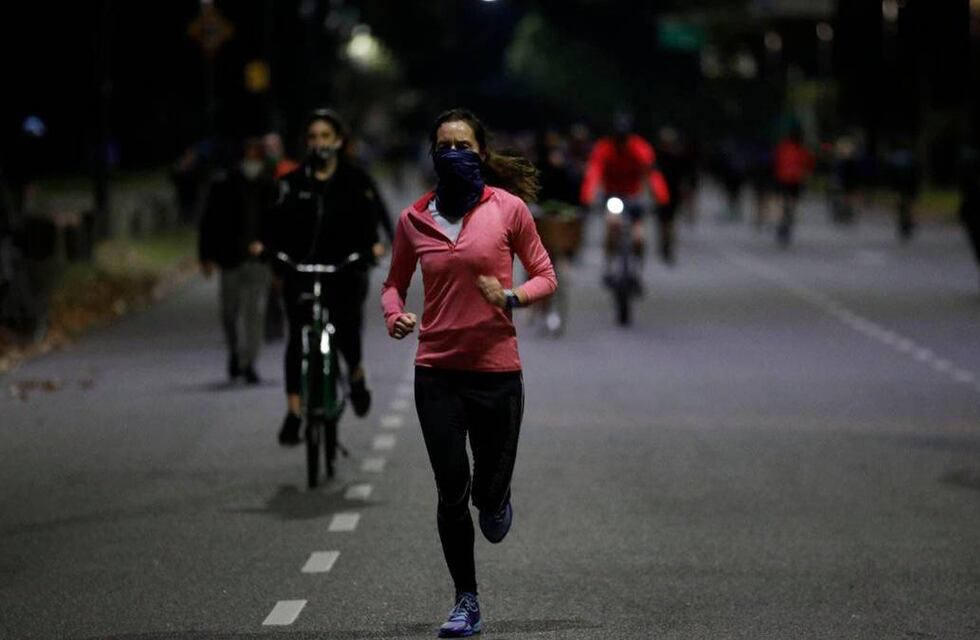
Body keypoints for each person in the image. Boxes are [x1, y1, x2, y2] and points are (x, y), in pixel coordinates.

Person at [381, 108, 557, 638]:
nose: (452, 152)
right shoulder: (414, 220)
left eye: (462, 144)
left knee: (485, 497)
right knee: (451, 488)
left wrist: (510, 296)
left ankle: (497, 495)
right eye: (443, 145)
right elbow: (392, 284)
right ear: (432, 154)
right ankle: (466, 600)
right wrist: (396, 315)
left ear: (481, 151)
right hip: (436, 371)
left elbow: (545, 274)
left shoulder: (509, 210)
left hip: (497, 372)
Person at [255, 108, 390, 445]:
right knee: (298, 336)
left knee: (347, 329)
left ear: (339, 141)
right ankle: (294, 411)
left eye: (326, 137)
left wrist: (373, 247)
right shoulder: (291, 184)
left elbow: (373, 220)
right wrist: (266, 248)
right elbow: (270, 224)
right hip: (300, 271)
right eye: (313, 138)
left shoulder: (356, 181)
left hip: (345, 270)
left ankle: (356, 376)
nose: (319, 144)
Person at [198, 138, 275, 384]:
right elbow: (208, 222)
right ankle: (235, 352)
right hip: (229, 258)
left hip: (258, 260)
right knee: (229, 312)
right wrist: (206, 256)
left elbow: (280, 224)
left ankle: (248, 361)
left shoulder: (270, 186)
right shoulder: (223, 184)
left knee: (255, 313)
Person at [579, 111, 670, 285]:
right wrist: (587, 196)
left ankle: (638, 271)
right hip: (612, 196)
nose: (621, 142)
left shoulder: (640, 147)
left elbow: (652, 174)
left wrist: (661, 197)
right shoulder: (603, 148)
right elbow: (594, 172)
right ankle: (608, 266)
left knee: (639, 238)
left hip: (633, 196)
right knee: (612, 224)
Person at [773, 125, 814, 247]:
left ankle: (783, 221)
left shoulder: (783, 147)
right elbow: (808, 164)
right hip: (796, 179)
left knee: (782, 202)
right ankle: (788, 221)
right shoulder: (802, 149)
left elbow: (776, 161)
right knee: (793, 203)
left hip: (783, 178)